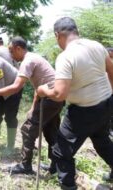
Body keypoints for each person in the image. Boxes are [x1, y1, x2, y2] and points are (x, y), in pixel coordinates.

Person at [37, 17, 113, 189]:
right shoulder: (96, 46)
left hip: (84, 111)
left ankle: (68, 186)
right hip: (107, 103)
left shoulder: (65, 57)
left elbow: (59, 93)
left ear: (58, 35)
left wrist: (43, 91)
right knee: (102, 141)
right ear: (76, 31)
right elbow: (111, 70)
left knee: (61, 151)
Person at [0, 36, 64, 175]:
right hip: (55, 97)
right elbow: (39, 87)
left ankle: (26, 166)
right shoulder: (33, 58)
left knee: (28, 130)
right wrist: (33, 107)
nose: (10, 54)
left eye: (11, 51)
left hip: (50, 98)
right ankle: (55, 166)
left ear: (18, 48)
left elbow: (15, 87)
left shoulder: (27, 61)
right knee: (51, 131)